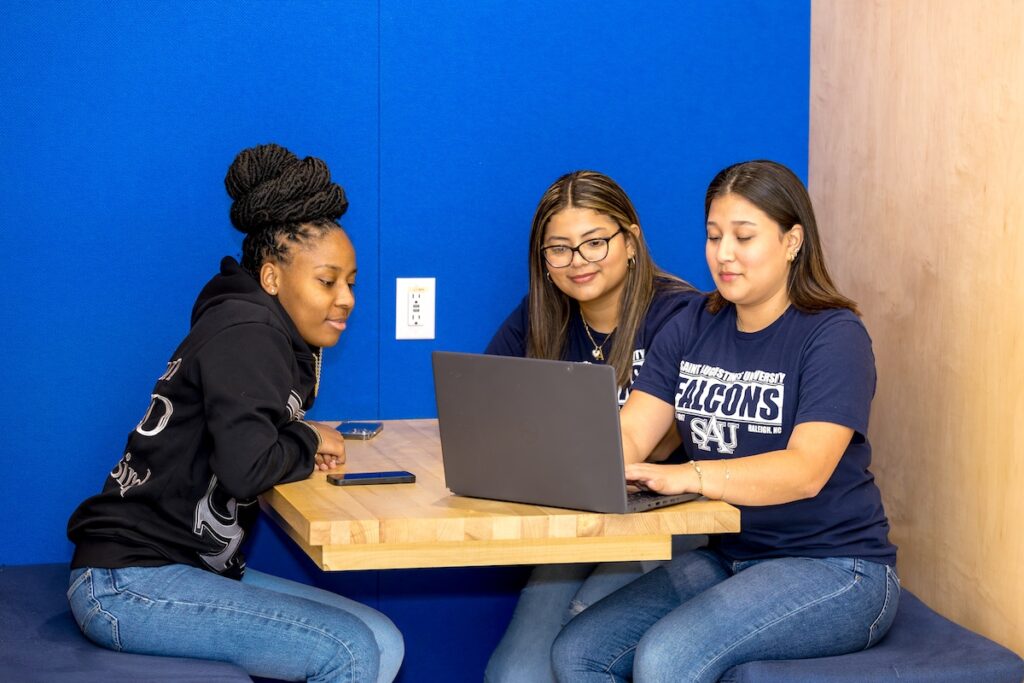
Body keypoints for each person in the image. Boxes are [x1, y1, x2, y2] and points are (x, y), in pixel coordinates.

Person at [550, 160, 900, 682]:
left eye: (744, 236)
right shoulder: (693, 323)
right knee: (578, 653)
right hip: (730, 555)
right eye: (714, 237)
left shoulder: (835, 335)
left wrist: (690, 475)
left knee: (667, 660)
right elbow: (631, 432)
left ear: (792, 241)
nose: (724, 254)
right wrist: (575, 462)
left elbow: (805, 470)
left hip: (837, 568)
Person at [66, 143, 404, 682]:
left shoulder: (262, 330)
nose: (347, 299)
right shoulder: (249, 331)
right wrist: (309, 442)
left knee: (381, 640)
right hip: (128, 581)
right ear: (272, 278)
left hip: (183, 567)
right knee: (348, 651)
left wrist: (295, 433)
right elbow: (248, 468)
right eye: (327, 280)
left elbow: (250, 437)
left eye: (352, 283)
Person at [485, 170, 704, 683]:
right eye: (558, 249)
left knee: (580, 638)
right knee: (514, 674)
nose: (577, 262)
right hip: (578, 520)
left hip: (667, 524)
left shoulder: (682, 314)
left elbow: (666, 439)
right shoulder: (542, 314)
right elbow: (490, 409)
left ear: (631, 241)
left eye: (595, 243)